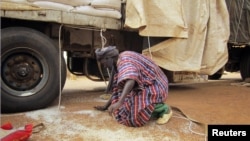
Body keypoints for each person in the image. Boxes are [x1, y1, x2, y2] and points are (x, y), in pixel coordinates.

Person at [94, 46, 172, 127]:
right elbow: (117, 89)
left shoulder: (125, 62)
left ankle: (164, 109)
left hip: (157, 85)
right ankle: (150, 108)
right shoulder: (119, 59)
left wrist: (120, 102)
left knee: (134, 116)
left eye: (103, 63)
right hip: (147, 83)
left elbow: (131, 79)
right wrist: (106, 106)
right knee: (123, 106)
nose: (105, 66)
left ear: (108, 58)